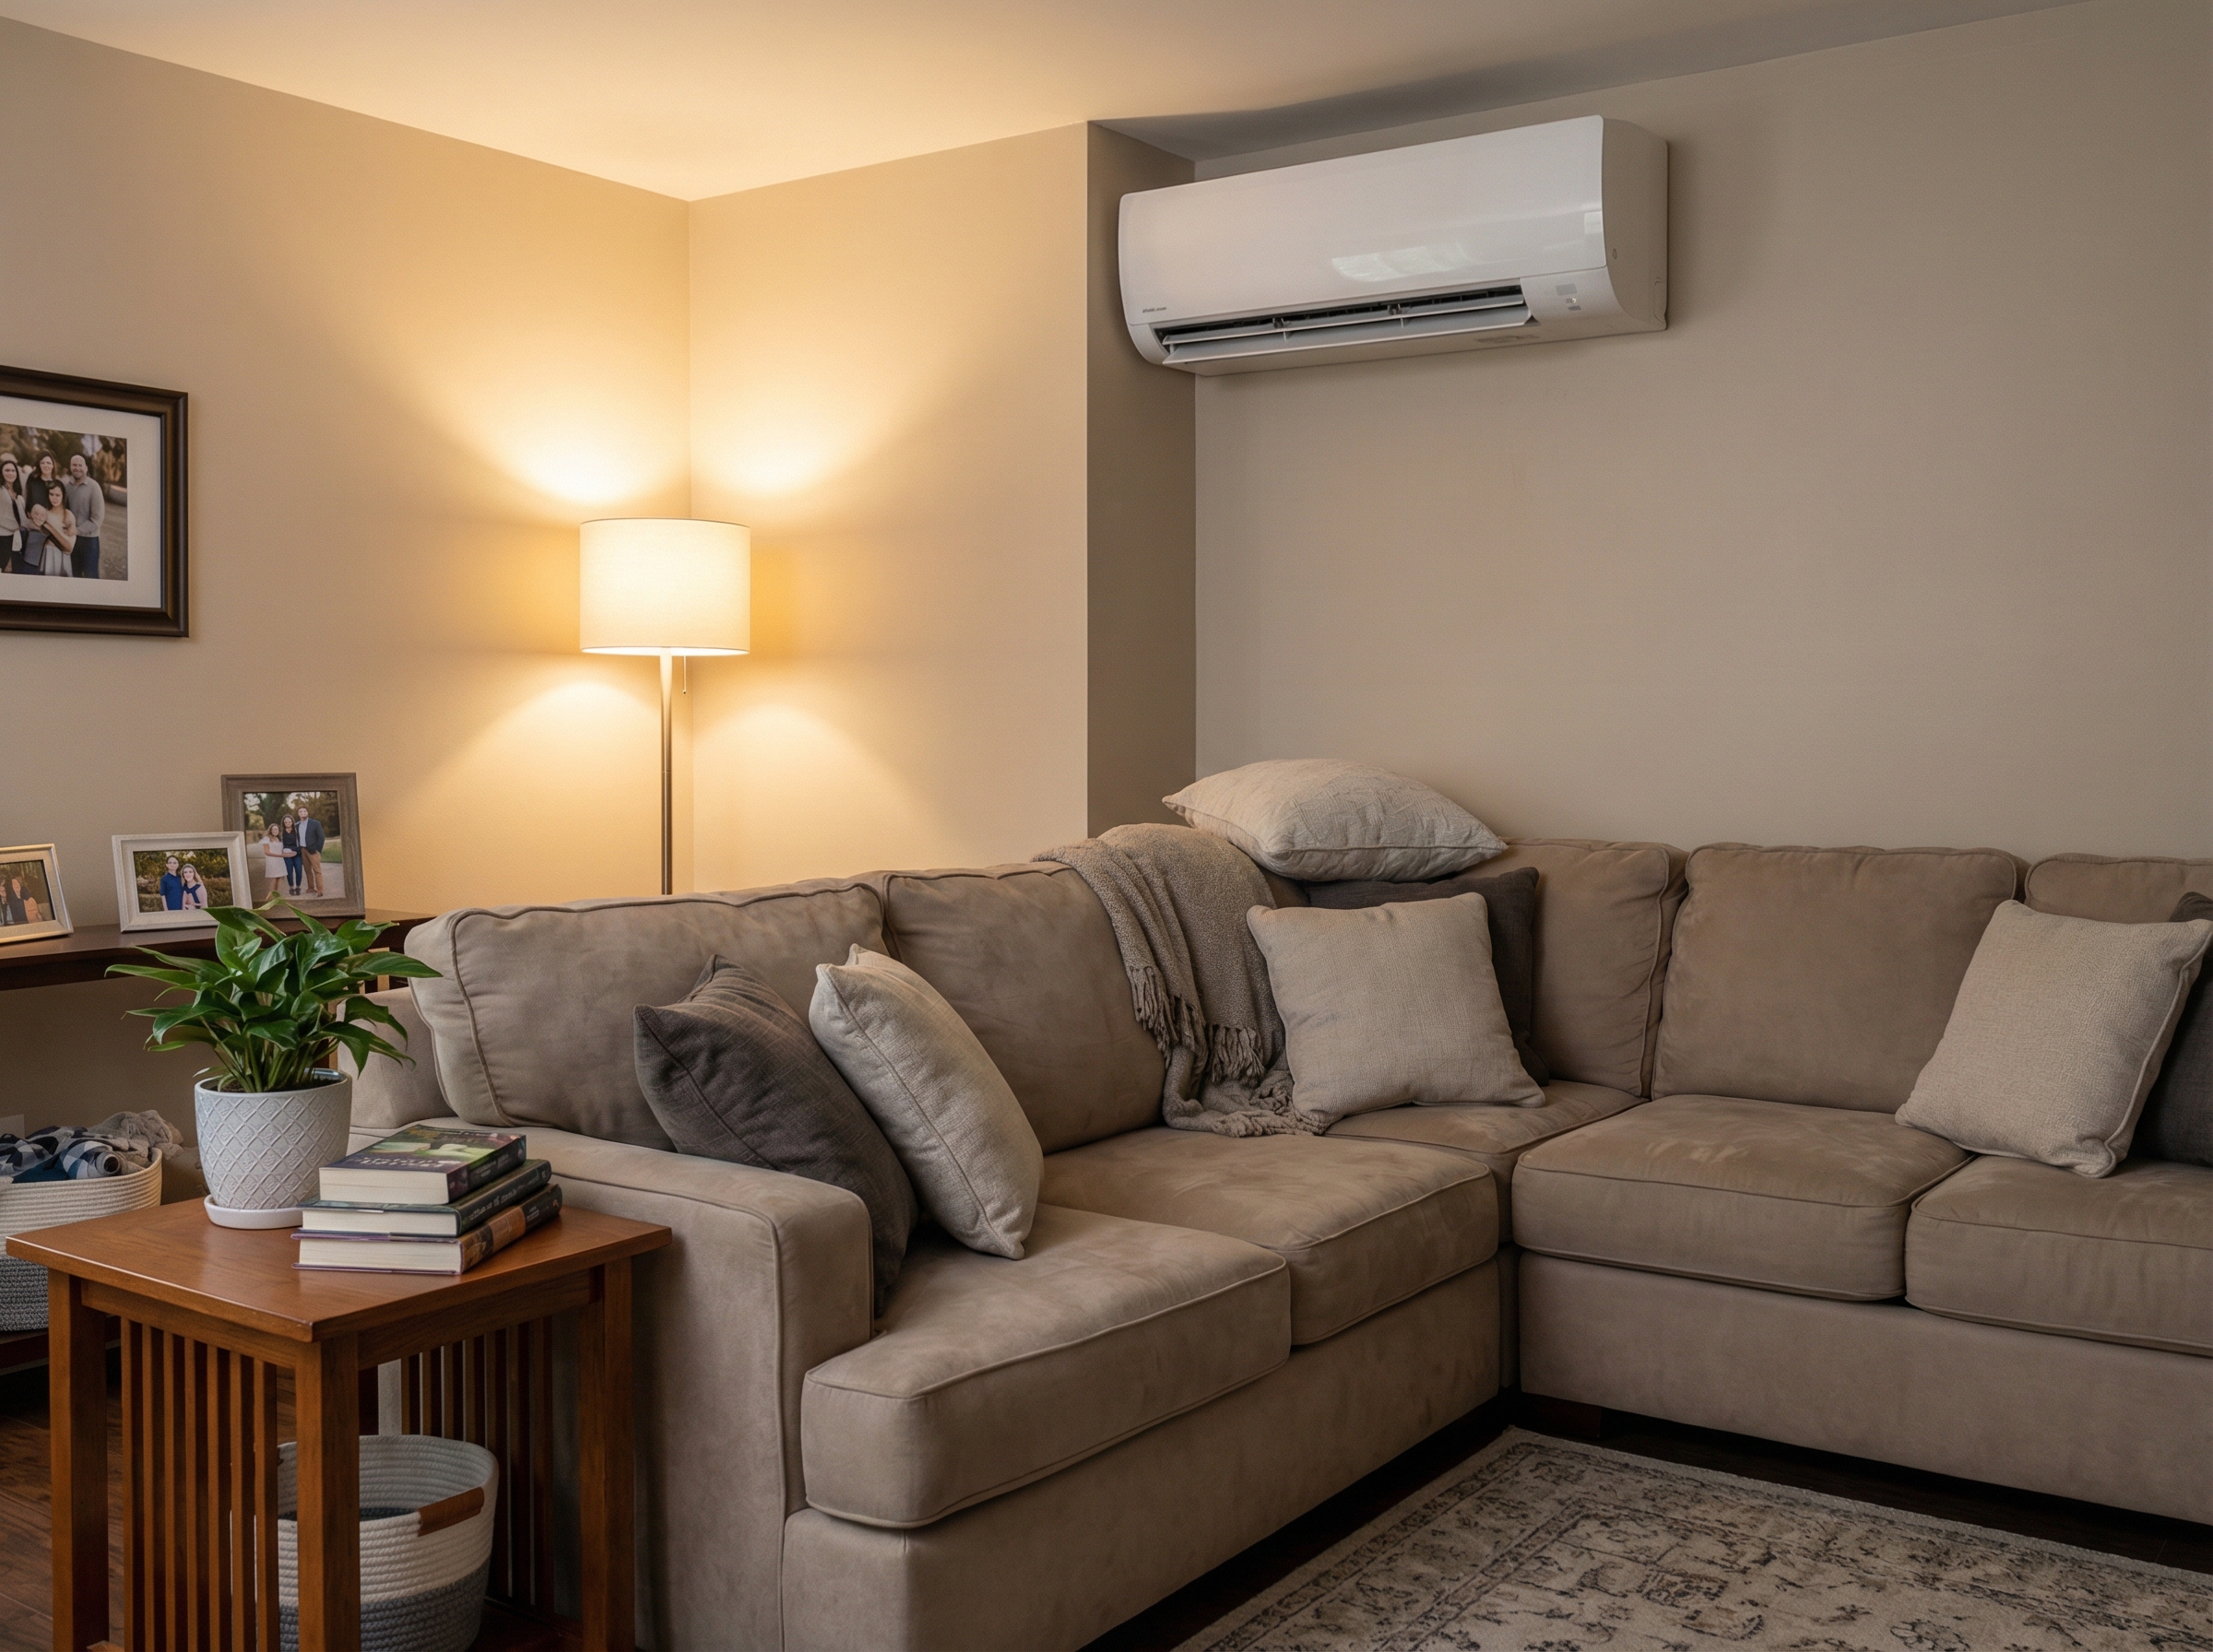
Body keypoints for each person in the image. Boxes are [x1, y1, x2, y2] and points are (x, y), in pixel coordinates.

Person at [63, 454, 105, 581]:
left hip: (89, 542)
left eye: (80, 465)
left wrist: (78, 530)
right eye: (74, 465)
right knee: (73, 575)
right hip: (71, 540)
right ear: (70, 467)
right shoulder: (66, 487)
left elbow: (97, 519)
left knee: (90, 576)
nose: (77, 468)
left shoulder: (94, 487)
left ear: (86, 468)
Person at [27, 480, 75, 577]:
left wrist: (50, 527)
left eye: (57, 495)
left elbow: (69, 547)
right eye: (51, 494)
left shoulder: (68, 515)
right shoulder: (44, 513)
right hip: (46, 554)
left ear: (63, 495)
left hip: (62, 556)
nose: (54, 498)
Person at [0, 458, 25, 574]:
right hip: (2, 537)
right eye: (7, 470)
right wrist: (16, 525)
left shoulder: (17, 493)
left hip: (14, 538)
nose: (10, 473)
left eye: (13, 470)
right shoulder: (1, 490)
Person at [297, 808, 326, 896]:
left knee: (317, 870)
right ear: (299, 814)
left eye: (305, 811)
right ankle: (311, 888)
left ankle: (320, 890)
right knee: (307, 870)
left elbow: (321, 837)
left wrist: (318, 850)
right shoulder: (297, 825)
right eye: (301, 811)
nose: (303, 813)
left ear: (307, 812)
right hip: (302, 850)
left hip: (313, 850)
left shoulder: (315, 823)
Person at [260, 825, 292, 896]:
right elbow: (267, 852)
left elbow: (281, 851)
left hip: (280, 861)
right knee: (273, 878)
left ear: (279, 830)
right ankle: (269, 898)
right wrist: (280, 856)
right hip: (272, 861)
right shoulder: (267, 839)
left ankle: (275, 895)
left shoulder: (279, 839)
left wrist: (290, 853)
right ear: (270, 830)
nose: (275, 831)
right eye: (273, 829)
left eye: (276, 829)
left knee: (278, 878)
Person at [279, 812, 304, 894]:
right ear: (283, 823)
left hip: (297, 854)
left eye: (289, 822)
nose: (288, 823)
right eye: (286, 822)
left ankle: (298, 887)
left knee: (299, 870)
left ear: (292, 822)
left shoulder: (296, 830)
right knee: (289, 871)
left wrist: (296, 851)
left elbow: (301, 842)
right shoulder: (281, 832)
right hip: (287, 855)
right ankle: (291, 887)